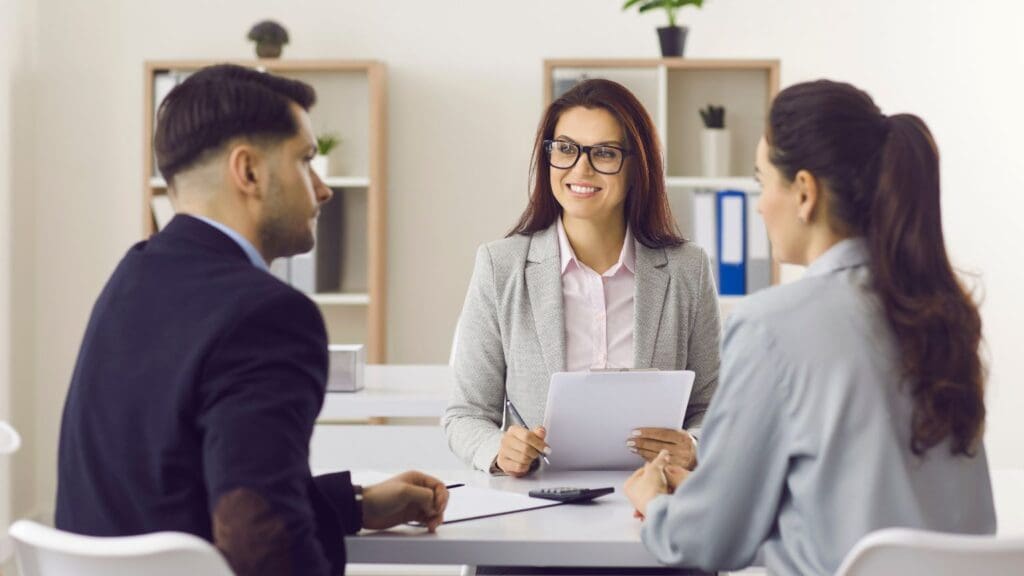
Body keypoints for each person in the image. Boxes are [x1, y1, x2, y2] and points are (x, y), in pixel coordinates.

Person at [55, 64, 448, 576]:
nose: (322, 188)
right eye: (306, 160)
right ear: (249, 172)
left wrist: (352, 503)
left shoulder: (132, 277)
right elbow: (263, 546)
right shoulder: (269, 316)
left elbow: (177, 489)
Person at [624, 79, 996, 575]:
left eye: (761, 183)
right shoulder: (942, 313)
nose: (758, 206)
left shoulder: (769, 326)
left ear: (804, 192)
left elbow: (705, 543)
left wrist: (656, 501)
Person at [443, 79, 720, 476]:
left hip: (655, 500)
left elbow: (714, 408)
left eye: (604, 153)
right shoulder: (500, 266)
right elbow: (465, 414)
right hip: (538, 503)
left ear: (636, 166)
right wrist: (498, 450)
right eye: (566, 149)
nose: (581, 169)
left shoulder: (686, 269)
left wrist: (693, 445)